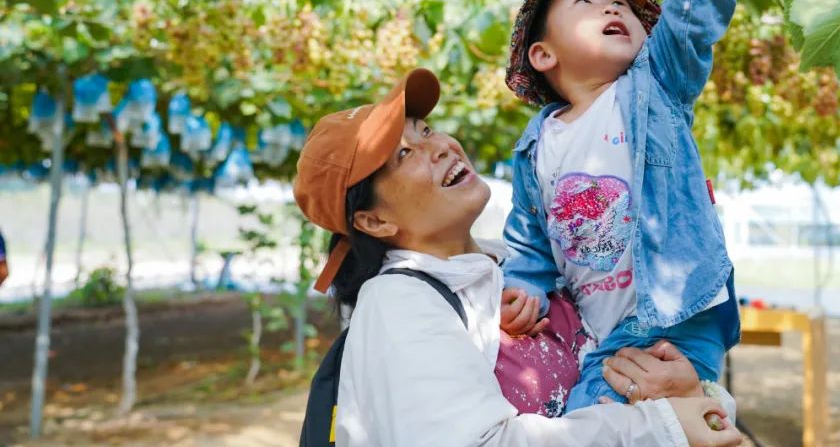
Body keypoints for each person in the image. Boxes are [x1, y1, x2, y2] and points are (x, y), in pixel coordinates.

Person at [293, 68, 743, 447]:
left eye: (426, 130)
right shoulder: (397, 304)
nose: (442, 146)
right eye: (406, 154)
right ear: (373, 222)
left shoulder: (521, 271)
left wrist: (693, 394)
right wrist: (660, 426)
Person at [500, 0, 746, 410]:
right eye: (585, 4)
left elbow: (692, 11)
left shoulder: (654, 86)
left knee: (644, 425)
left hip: (680, 313)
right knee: (588, 426)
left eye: (623, 7)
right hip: (601, 335)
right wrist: (525, 285)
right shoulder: (538, 144)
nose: (613, 7)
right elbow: (528, 235)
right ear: (543, 56)